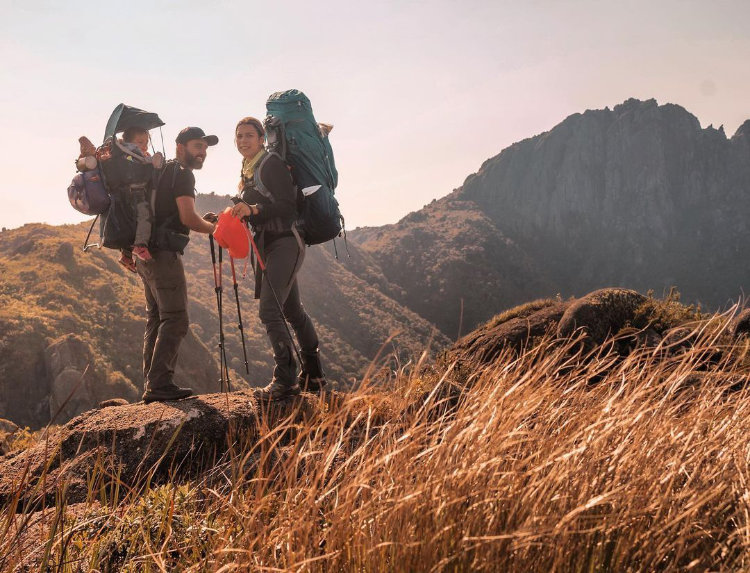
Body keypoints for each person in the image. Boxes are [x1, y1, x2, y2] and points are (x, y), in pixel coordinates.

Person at [230, 116, 327, 400]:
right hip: (268, 246)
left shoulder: (270, 164)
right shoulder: (249, 169)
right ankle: (314, 375)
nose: (243, 140)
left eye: (249, 135)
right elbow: (258, 204)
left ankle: (285, 380)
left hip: (285, 243)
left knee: (269, 311)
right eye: (239, 136)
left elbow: (286, 205)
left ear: (262, 138)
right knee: (292, 311)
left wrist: (254, 211)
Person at [137, 126, 219, 403]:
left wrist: (203, 220)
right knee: (176, 319)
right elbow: (187, 218)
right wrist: (214, 229)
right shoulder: (183, 175)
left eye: (205, 148)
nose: (202, 153)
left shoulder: (161, 170)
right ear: (180, 146)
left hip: (144, 252)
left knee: (157, 318)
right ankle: (159, 383)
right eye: (198, 146)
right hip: (163, 256)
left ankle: (151, 381)